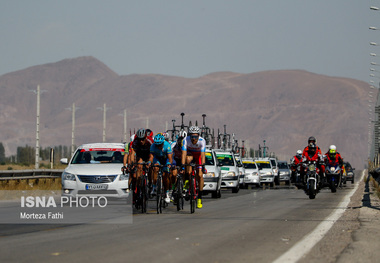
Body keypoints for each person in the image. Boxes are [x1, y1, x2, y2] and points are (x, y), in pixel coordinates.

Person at [181, 126, 206, 209]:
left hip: (198, 156)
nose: (194, 139)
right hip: (190, 155)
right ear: (189, 136)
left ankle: (200, 197)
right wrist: (183, 166)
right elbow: (184, 154)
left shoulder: (202, 141)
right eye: (192, 136)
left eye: (195, 136)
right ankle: (188, 180)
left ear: (198, 136)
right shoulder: (185, 140)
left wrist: (202, 166)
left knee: (199, 175)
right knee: (187, 160)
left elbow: (202, 155)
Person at [149, 133, 173, 203]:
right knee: (155, 168)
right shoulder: (153, 146)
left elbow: (170, 158)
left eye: (160, 144)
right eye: (157, 145)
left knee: (165, 176)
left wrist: (169, 163)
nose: (158, 146)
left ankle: (167, 193)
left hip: (165, 159)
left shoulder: (167, 145)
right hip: (157, 159)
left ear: (163, 142)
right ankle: (154, 187)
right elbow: (151, 157)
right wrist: (149, 162)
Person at [128, 128, 153, 197]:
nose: (141, 141)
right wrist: (132, 163)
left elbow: (152, 155)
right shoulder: (135, 142)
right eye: (139, 139)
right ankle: (139, 185)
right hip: (140, 155)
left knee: (150, 167)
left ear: (145, 137)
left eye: (142, 139)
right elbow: (132, 154)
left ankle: (150, 183)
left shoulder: (150, 141)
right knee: (139, 166)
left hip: (148, 155)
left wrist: (149, 162)